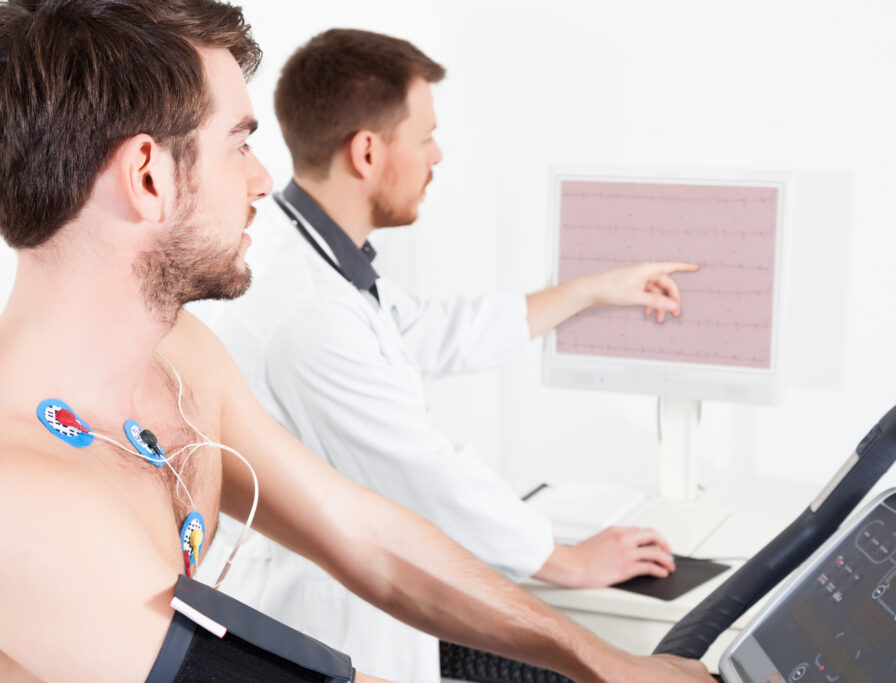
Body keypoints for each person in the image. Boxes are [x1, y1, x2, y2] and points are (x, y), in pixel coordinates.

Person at [0, 1, 715, 681]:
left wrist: (604, 662)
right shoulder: (26, 502)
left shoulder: (183, 359)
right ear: (149, 177)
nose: (262, 179)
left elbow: (360, 534)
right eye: (239, 145)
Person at [203, 27, 702, 681]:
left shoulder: (311, 257)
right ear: (367, 152)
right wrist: (567, 560)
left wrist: (594, 291)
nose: (437, 155)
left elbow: (432, 330)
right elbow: (425, 475)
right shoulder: (309, 314)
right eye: (426, 137)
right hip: (326, 619)